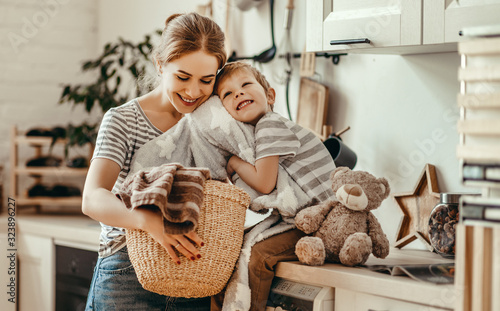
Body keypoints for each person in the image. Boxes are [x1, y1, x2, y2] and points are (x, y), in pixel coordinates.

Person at [82, 12, 227, 311]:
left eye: (206, 80)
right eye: (182, 77)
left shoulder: (215, 123)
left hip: (193, 272)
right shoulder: (124, 120)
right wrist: (147, 221)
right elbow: (92, 198)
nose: (193, 92)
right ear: (160, 65)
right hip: (125, 273)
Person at [211, 61, 335, 310]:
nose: (238, 93)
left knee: (258, 256)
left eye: (246, 84)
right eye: (228, 93)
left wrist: (234, 163)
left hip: (324, 223)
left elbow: (265, 183)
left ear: (270, 95)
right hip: (314, 219)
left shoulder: (269, 125)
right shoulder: (260, 131)